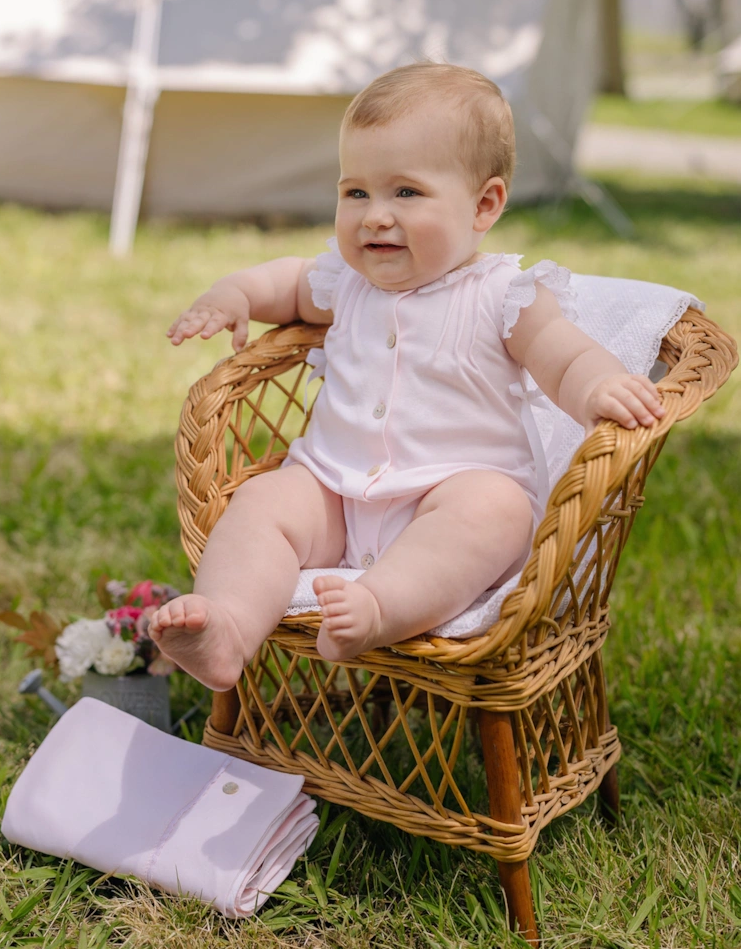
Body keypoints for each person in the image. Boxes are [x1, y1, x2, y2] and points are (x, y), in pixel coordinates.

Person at [148, 62, 664, 692]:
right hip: (335, 492)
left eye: (406, 194)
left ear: (484, 204)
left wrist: (598, 386)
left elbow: (565, 355)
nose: (374, 217)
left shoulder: (504, 294)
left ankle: (379, 607)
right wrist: (230, 295)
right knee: (263, 502)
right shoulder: (347, 283)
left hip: (445, 497)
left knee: (493, 509)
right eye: (355, 192)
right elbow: (282, 282)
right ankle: (228, 626)